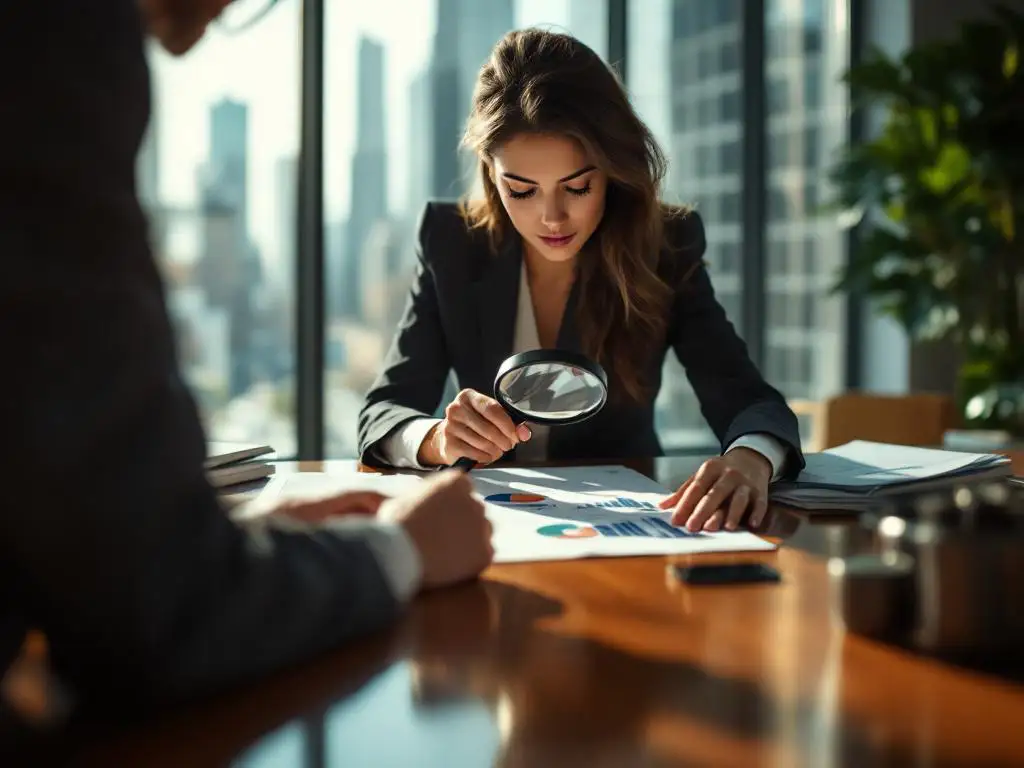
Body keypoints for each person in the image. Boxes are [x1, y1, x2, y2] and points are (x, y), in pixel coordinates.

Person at [0, 0, 492, 714]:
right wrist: (401, 551)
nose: (212, 22)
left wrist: (225, 542)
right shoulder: (54, 34)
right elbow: (156, 614)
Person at [358, 29, 805, 534]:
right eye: (521, 191)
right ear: (491, 171)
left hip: (624, 525)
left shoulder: (665, 246)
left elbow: (750, 399)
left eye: (577, 187)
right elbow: (382, 412)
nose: (552, 216)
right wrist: (437, 438)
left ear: (613, 171)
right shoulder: (452, 243)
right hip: (484, 525)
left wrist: (750, 460)